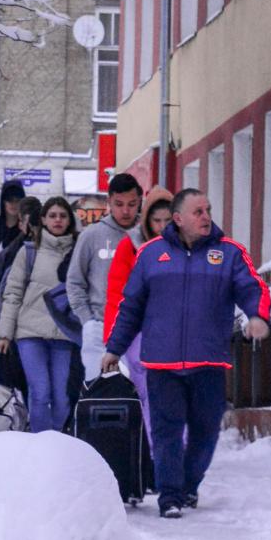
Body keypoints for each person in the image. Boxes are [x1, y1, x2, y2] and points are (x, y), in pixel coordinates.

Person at [102, 188, 271, 519]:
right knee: (166, 431)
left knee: (205, 431)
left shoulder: (230, 253)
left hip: (208, 359)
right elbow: (130, 305)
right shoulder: (151, 254)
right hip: (161, 362)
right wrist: (114, 348)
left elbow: (253, 287)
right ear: (177, 219)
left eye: (207, 209)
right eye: (198, 211)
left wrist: (257, 316)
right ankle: (170, 496)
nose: (206, 216)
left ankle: (189, 485)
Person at [0, 196, 78, 433]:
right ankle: (41, 444)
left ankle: (57, 439)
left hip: (64, 333)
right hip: (30, 333)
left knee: (62, 397)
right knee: (40, 392)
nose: (58, 220)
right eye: (52, 215)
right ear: (42, 220)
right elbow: (12, 293)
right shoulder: (29, 252)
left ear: (70, 220)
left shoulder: (79, 252)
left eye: (63, 215)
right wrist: (5, 334)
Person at [103, 185, 174, 441]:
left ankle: (175, 453)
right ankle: (156, 451)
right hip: (139, 331)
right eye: (157, 220)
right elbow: (117, 293)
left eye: (168, 220)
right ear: (147, 220)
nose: (163, 226)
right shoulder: (130, 247)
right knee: (146, 389)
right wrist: (114, 338)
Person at [67, 172, 142, 380]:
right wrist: (88, 321)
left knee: (139, 393)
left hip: (139, 329)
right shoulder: (91, 236)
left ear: (139, 202)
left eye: (132, 204)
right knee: (101, 394)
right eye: (119, 204)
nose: (126, 210)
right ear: (109, 201)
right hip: (100, 326)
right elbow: (74, 282)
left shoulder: (146, 236)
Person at [0, 197, 41, 390]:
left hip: (44, 329)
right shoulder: (9, 254)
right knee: (14, 381)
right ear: (21, 223)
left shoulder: (56, 250)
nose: (34, 228)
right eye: (29, 222)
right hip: (13, 327)